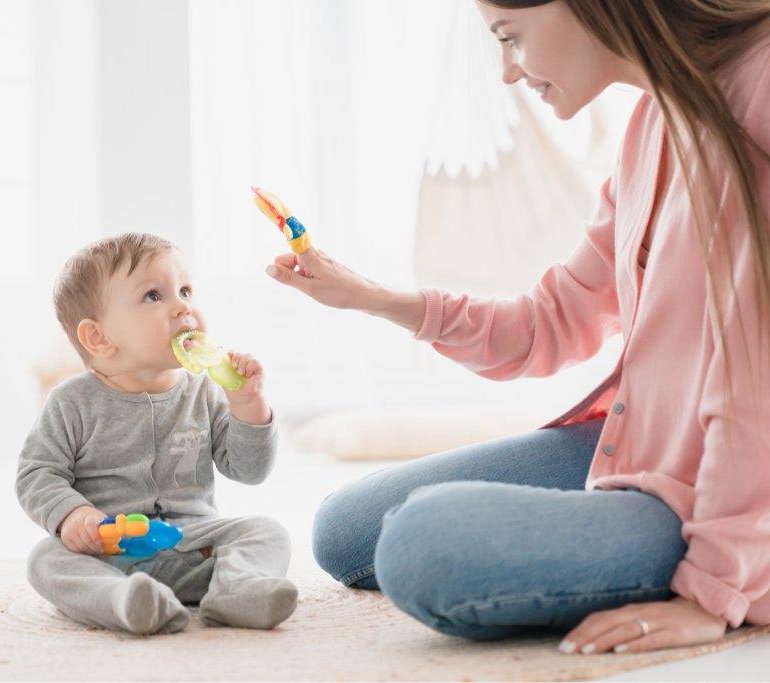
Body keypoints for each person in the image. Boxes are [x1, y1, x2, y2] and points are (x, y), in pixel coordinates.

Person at [265, 0, 770, 656]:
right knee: (345, 528)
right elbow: (552, 321)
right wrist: (374, 298)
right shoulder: (653, 124)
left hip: (742, 479)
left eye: (510, 37)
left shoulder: (756, 89)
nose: (507, 70)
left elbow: (756, 378)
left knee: (425, 546)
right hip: (656, 447)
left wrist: (715, 590)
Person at [16, 232, 296, 635]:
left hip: (196, 546)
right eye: (153, 296)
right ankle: (126, 601)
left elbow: (249, 471)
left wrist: (248, 404)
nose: (183, 306)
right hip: (109, 549)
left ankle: (238, 591)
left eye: (185, 290)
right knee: (45, 559)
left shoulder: (205, 391)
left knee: (266, 531)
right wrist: (73, 515)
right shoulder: (71, 401)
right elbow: (37, 474)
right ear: (99, 337)